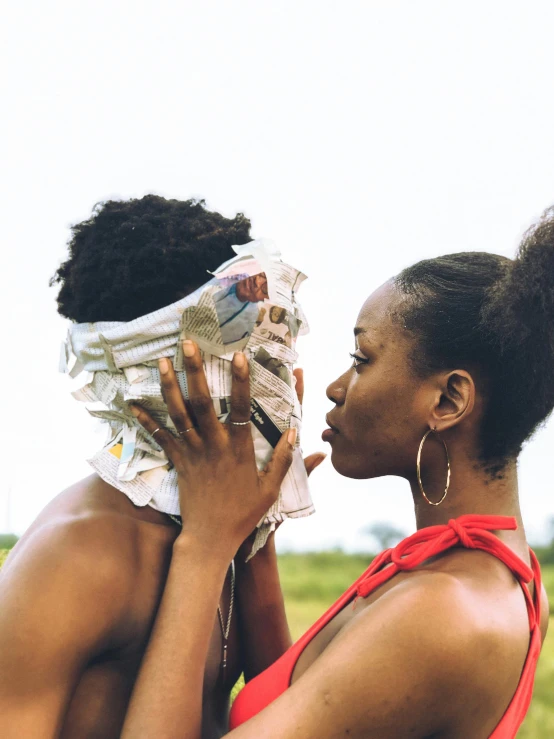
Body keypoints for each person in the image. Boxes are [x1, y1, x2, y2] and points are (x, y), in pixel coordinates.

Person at [121, 206, 554, 738]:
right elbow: (314, 702)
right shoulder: (507, 574)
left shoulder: (439, 611)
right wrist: (256, 531)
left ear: (448, 399)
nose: (336, 387)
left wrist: (206, 544)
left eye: (363, 358)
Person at [0, 196, 323, 739]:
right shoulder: (76, 558)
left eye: (275, 360)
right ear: (157, 377)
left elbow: (279, 716)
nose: (274, 383)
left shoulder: (214, 525)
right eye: (247, 363)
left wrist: (259, 524)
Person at [214, 272, 269, 344]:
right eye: (263, 274)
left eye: (265, 288)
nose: (257, 281)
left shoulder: (249, 324)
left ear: (266, 300)